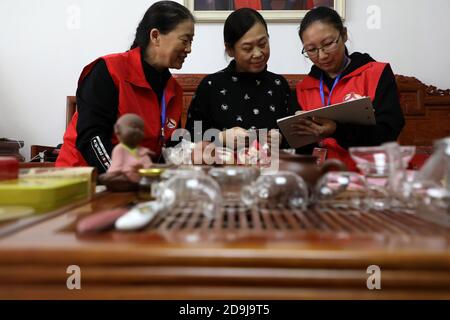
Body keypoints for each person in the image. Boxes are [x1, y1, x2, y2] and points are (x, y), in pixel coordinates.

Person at [56, 1, 195, 173]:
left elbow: (170, 149)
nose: (189, 49)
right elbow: (92, 137)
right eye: (184, 40)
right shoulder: (109, 70)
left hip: (131, 182)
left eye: (191, 41)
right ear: (155, 36)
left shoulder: (173, 90)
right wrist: (121, 176)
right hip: (84, 178)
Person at [290, 6, 405, 170]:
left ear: (344, 35)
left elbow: (389, 132)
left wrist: (337, 130)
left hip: (368, 175)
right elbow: (301, 150)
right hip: (321, 178)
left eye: (328, 44)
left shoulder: (376, 74)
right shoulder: (303, 89)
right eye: (312, 49)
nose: (322, 55)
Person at [185, 8, 293, 159]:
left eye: (263, 44)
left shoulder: (278, 85)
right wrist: (220, 138)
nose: (258, 53)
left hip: (270, 173)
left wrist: (280, 139)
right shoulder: (210, 86)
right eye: (247, 48)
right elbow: (188, 141)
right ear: (230, 49)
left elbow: (294, 138)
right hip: (222, 173)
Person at [106, 114, 152, 183]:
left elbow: (148, 165)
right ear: (117, 130)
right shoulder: (119, 149)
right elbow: (116, 168)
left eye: (141, 129)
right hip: (125, 177)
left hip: (142, 179)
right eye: (133, 127)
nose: (137, 131)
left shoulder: (142, 151)